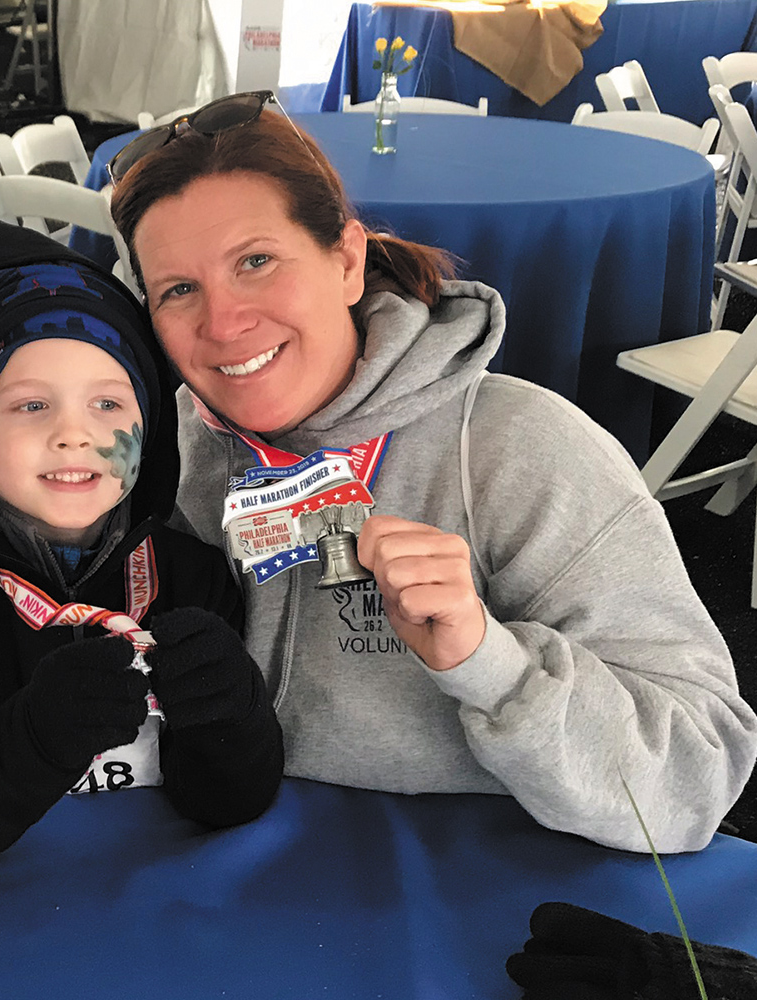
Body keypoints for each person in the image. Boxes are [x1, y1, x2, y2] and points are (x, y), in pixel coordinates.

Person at [105, 92, 757, 854]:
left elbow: (697, 774)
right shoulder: (148, 453)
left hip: (470, 892)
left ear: (347, 259)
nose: (222, 323)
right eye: (178, 290)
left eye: (256, 261)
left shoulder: (520, 450)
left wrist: (490, 663)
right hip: (202, 873)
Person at [0, 219, 283, 871]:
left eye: (109, 405)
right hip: (1, 927)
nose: (74, 435)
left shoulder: (195, 580)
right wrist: (35, 736)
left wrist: (232, 715)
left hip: (162, 915)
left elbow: (227, 803)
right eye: (31, 405)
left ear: (152, 428)